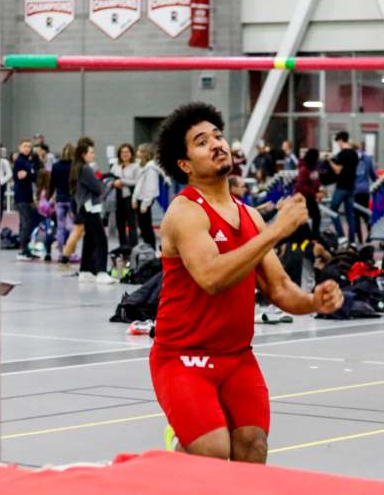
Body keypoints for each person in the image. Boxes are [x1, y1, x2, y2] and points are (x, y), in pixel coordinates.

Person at [151, 102, 343, 463]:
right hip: (184, 357)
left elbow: (279, 288)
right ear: (185, 164)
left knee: (253, 448)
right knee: (212, 449)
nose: (217, 144)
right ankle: (182, 446)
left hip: (236, 358)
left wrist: (314, 301)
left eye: (219, 136)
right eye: (202, 141)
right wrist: (275, 232)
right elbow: (211, 277)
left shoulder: (249, 215)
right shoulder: (185, 212)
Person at [71, 137, 114, 284]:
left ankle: (85, 270)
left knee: (89, 239)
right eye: (91, 152)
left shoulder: (79, 168)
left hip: (85, 207)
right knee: (101, 239)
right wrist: (107, 183)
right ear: (84, 154)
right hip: (90, 208)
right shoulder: (86, 169)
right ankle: (102, 271)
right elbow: (98, 188)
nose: (93, 155)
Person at [327, 131, 359, 243]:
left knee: (332, 210)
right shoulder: (355, 154)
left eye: (338, 142)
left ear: (340, 140)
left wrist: (329, 161)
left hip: (341, 187)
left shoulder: (342, 154)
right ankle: (352, 241)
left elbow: (338, 170)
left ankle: (341, 235)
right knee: (350, 214)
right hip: (351, 187)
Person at [132, 143, 161, 248]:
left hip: (145, 200)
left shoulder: (150, 168)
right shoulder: (142, 166)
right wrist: (134, 198)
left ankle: (151, 249)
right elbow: (138, 185)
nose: (137, 153)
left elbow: (150, 187)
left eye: (139, 151)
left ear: (145, 153)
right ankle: (147, 247)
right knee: (142, 226)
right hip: (140, 198)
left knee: (146, 226)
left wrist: (145, 204)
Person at [111, 143, 140, 248]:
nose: (125, 154)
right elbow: (111, 178)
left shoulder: (136, 165)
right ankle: (123, 247)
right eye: (122, 152)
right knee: (120, 224)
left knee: (132, 223)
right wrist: (114, 183)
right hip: (118, 197)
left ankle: (133, 247)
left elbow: (138, 181)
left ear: (131, 153)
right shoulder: (116, 165)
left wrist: (122, 181)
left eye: (127, 152)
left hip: (130, 197)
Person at [14, 138, 37, 260]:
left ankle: (26, 248)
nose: (27, 148)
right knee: (26, 223)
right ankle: (22, 250)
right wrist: (30, 175)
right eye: (25, 146)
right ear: (20, 147)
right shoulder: (19, 161)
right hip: (21, 197)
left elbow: (34, 176)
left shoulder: (28, 161)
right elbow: (21, 176)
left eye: (29, 146)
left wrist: (28, 175)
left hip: (28, 196)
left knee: (26, 223)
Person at [51, 144, 74, 262]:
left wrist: (51, 196)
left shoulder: (56, 166)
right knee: (71, 227)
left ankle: (61, 252)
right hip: (71, 200)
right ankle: (70, 252)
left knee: (60, 227)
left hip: (60, 199)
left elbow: (52, 183)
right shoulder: (75, 166)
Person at [295, 148, 323, 239]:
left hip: (311, 197)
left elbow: (316, 180)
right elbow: (301, 186)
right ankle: (312, 237)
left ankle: (314, 237)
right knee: (309, 218)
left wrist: (320, 190)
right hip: (304, 198)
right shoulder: (304, 169)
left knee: (316, 217)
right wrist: (314, 193)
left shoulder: (314, 168)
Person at [353, 142, 377, 243]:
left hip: (354, 192)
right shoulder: (367, 158)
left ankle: (360, 240)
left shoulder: (351, 158)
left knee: (356, 217)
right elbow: (373, 175)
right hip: (365, 191)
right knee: (366, 214)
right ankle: (370, 235)